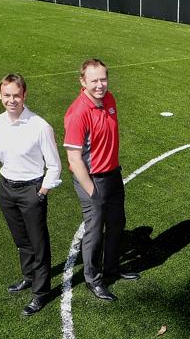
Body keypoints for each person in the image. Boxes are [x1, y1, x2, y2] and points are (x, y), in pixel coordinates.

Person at [0, 73, 61, 316]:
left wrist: (41, 192)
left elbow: (54, 165)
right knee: (21, 241)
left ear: (25, 95)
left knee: (38, 244)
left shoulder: (40, 126)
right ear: (0, 95)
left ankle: (41, 293)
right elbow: (2, 153)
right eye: (7, 95)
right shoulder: (0, 121)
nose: (12, 100)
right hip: (6, 188)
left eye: (16, 95)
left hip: (31, 190)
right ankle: (29, 277)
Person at [63, 59, 139, 302]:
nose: (100, 85)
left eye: (103, 79)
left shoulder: (110, 100)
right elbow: (74, 159)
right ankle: (93, 280)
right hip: (91, 180)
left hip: (113, 174)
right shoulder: (78, 112)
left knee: (117, 224)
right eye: (94, 80)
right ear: (83, 81)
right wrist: (92, 192)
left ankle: (112, 268)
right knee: (94, 232)